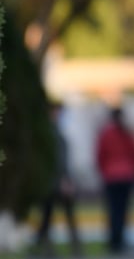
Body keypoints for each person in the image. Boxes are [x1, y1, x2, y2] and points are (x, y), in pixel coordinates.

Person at [33, 102, 83, 257]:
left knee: (50, 218)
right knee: (51, 218)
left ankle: (44, 249)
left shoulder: (53, 133)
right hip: (54, 184)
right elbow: (57, 162)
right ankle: (45, 249)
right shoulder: (51, 135)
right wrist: (64, 180)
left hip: (53, 183)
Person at [95, 107, 134, 255]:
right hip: (126, 176)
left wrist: (103, 171)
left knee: (112, 209)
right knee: (123, 210)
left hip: (111, 176)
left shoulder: (106, 134)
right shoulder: (128, 133)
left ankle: (113, 241)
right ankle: (120, 240)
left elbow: (100, 154)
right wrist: (133, 171)